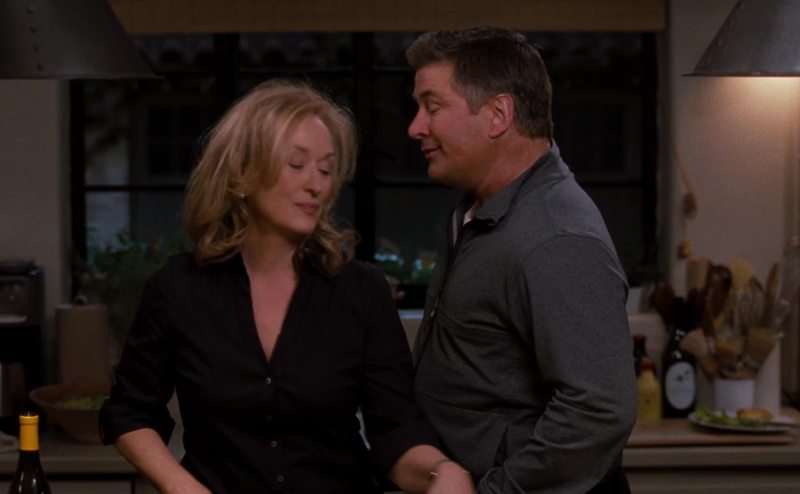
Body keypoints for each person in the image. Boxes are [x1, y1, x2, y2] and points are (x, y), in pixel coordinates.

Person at [100, 80, 474, 494]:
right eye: (297, 165)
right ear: (243, 173)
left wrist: (442, 472)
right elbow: (130, 413)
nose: (317, 185)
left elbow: (396, 432)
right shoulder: (176, 289)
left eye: (326, 170)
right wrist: (183, 488)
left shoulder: (361, 290)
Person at [406, 28, 637, 493]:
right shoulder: (483, 209)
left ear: (498, 114)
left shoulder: (557, 237)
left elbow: (598, 412)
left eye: (432, 107)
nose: (415, 127)